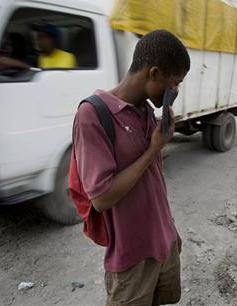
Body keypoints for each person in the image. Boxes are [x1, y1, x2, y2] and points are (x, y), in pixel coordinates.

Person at [73, 30, 190, 306]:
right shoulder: (92, 115)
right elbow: (101, 198)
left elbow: (154, 183)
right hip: (131, 259)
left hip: (164, 244)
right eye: (174, 84)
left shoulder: (147, 111)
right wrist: (153, 149)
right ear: (154, 74)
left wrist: (170, 229)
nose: (175, 92)